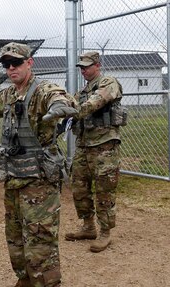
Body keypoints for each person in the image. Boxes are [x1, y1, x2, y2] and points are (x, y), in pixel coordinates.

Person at [0, 42, 78, 287]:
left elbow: (61, 98)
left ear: (29, 63)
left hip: (39, 181)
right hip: (13, 177)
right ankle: (24, 279)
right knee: (14, 236)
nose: (11, 68)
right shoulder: (8, 95)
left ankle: (46, 284)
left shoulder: (43, 90)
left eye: (16, 63)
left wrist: (58, 108)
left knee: (39, 238)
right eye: (6, 64)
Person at [65, 51, 125, 253]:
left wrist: (76, 110)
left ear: (97, 65)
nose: (83, 70)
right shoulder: (82, 92)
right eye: (81, 67)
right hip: (84, 145)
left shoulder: (108, 83)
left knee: (104, 190)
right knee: (79, 187)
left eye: (87, 66)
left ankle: (105, 233)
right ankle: (88, 227)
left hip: (104, 146)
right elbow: (71, 106)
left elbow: (95, 102)